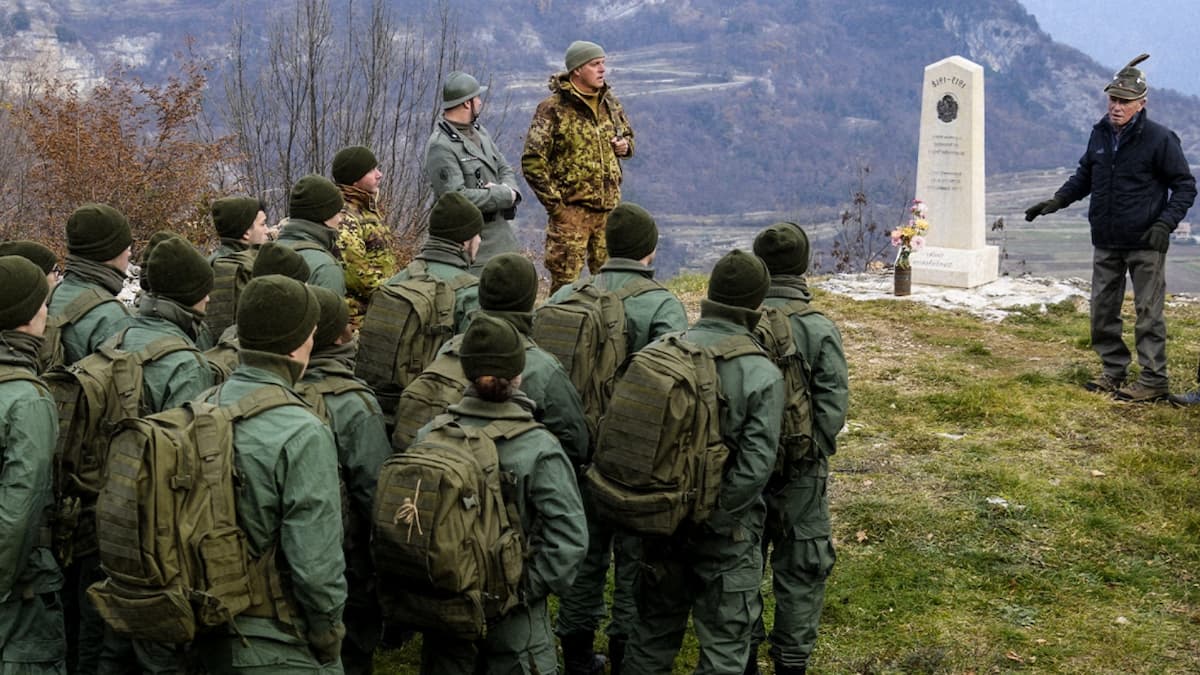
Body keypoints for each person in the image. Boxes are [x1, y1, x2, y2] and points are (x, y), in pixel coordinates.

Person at [622, 250, 784, 675]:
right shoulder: (760, 372)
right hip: (726, 534)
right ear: (756, 306)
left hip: (659, 520)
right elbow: (755, 467)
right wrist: (713, 517)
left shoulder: (664, 351)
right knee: (725, 645)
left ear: (710, 296)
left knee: (652, 634)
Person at [547, 202, 687, 674]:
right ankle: (626, 650)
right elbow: (678, 387)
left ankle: (578, 655)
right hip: (634, 455)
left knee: (585, 553)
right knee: (634, 557)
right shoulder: (661, 304)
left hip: (573, 444)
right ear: (649, 251)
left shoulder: (567, 293)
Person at [416, 314, 587, 674]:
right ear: (519, 374)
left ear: (465, 373)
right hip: (516, 629)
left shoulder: (429, 437)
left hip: (446, 615)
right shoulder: (538, 448)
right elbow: (569, 542)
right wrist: (518, 591)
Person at [196, 275, 347, 673]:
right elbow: (315, 565)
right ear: (298, 345)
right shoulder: (303, 431)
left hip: (200, 627)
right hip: (275, 636)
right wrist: (328, 634)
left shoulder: (201, 405)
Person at [1024, 53, 1196, 403]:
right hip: (1106, 238)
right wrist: (1057, 200)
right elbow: (1086, 174)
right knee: (1102, 309)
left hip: (1146, 240)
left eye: (1125, 101)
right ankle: (1113, 370)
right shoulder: (1100, 134)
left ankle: (1153, 380)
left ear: (1141, 104)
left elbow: (1185, 186)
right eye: (1113, 99)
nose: (1117, 106)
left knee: (1148, 314)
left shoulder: (1160, 139)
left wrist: (1165, 225)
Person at [96, 235, 216, 673]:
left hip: (107, 510)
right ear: (189, 295)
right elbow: (192, 465)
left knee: (113, 643)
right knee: (161, 652)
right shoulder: (185, 363)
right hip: (157, 531)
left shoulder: (116, 332)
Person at [748, 222, 848, 675]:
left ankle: (742, 654)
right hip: (803, 472)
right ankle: (791, 662)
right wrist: (809, 455)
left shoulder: (739, 320)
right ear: (803, 266)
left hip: (742, 474)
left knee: (741, 564)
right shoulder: (818, 328)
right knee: (802, 568)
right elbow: (832, 406)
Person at [46, 203, 133, 675]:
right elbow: (124, 403)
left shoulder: (49, 299)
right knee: (91, 610)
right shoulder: (108, 315)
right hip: (90, 478)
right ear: (114, 252)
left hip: (44, 464)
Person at [297, 286, 390, 675]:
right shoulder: (354, 403)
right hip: (345, 562)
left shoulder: (278, 387)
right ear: (339, 336)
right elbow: (375, 495)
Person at [522, 40, 636, 293]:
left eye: (603, 63)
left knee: (612, 286)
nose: (602, 69)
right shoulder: (553, 109)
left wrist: (625, 146)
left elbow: (628, 136)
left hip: (608, 213)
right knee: (565, 289)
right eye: (595, 64)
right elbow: (532, 161)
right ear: (577, 70)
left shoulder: (610, 104)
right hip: (571, 215)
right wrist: (557, 207)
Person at [0, 255, 66, 674]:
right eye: (42, 304)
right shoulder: (28, 400)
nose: (47, 312)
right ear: (25, 317)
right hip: (19, 592)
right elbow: (19, 511)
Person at [424, 71, 522, 275]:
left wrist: (510, 191)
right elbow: (455, 197)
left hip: (503, 239)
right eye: (477, 97)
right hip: (476, 249)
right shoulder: (441, 146)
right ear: (467, 103)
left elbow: (504, 167)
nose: (480, 101)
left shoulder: (479, 132)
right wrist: (502, 195)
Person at [379, 191, 483, 334]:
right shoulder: (470, 294)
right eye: (477, 234)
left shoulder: (393, 283)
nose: (480, 240)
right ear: (465, 241)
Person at [47, 203, 133, 366]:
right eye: (127, 247)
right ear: (110, 251)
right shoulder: (110, 315)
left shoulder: (54, 294)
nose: (129, 253)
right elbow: (123, 385)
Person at [330, 145, 398, 327]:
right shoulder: (345, 216)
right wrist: (398, 291)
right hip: (358, 320)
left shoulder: (366, 209)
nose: (379, 174)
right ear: (354, 179)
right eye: (371, 170)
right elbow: (356, 275)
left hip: (377, 311)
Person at [277, 174, 348, 297]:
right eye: (337, 213)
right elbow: (331, 315)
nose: (340, 219)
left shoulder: (264, 253)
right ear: (324, 216)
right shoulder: (325, 268)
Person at [208, 196, 270, 262]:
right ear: (246, 233)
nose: (267, 231)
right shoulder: (241, 267)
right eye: (262, 224)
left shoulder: (216, 261)